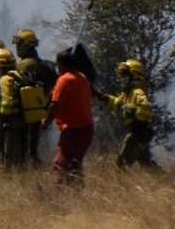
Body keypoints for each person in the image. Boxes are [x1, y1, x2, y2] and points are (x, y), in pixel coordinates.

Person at [42, 48, 94, 186]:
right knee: (75, 163)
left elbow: (55, 105)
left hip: (72, 129)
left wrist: (46, 123)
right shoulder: (82, 78)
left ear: (62, 64)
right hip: (87, 129)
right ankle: (77, 193)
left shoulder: (64, 80)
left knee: (61, 163)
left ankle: (58, 195)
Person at [95, 60, 158, 170]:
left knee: (122, 164)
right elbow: (117, 104)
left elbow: (146, 109)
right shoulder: (126, 94)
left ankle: (119, 186)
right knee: (146, 165)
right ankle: (165, 180)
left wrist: (133, 111)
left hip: (138, 133)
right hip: (139, 134)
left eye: (125, 75)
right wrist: (103, 97)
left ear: (134, 76)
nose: (122, 79)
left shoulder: (137, 92)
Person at [12, 29, 57, 164]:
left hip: (27, 113)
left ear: (26, 46)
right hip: (42, 110)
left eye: (19, 44)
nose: (17, 47)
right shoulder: (43, 64)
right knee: (39, 146)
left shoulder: (25, 64)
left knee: (28, 149)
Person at [0, 48, 28, 169]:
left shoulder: (4, 79)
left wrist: (1, 117)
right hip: (22, 121)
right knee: (21, 155)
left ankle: (13, 181)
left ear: (1, 66)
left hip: (11, 123)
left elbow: (8, 100)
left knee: (10, 157)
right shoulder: (18, 76)